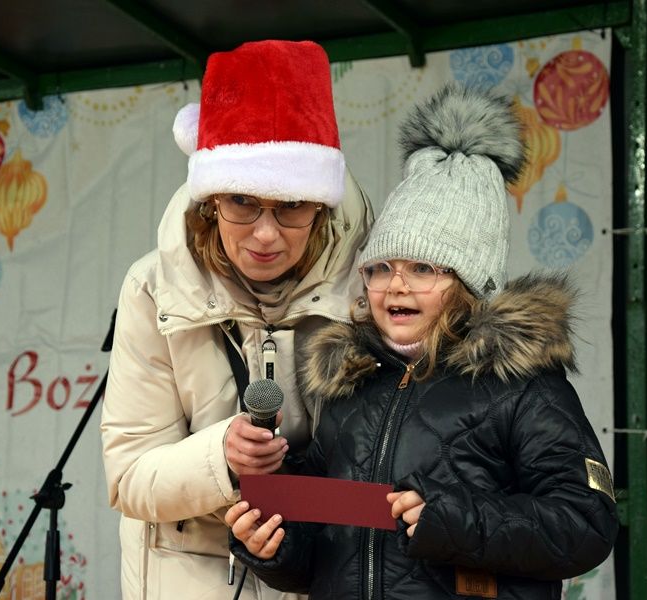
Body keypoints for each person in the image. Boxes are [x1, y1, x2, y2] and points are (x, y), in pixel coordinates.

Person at [226, 84, 619, 599]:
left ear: (470, 284)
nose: (396, 284)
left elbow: (586, 523)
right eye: (381, 267)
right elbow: (324, 558)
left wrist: (453, 519)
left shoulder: (523, 385)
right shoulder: (349, 384)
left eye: (423, 268)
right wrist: (272, 546)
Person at [100, 39, 373, 599]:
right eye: (243, 203)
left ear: (321, 205)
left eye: (292, 205)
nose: (266, 234)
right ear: (210, 201)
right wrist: (219, 456)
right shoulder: (153, 290)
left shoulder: (372, 288)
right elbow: (129, 477)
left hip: (322, 574)